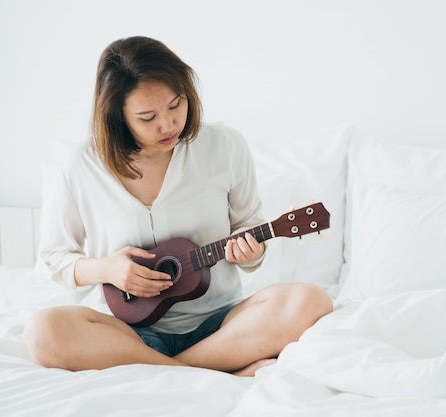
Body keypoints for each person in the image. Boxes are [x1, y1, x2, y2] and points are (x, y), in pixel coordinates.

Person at [24, 36, 333, 376]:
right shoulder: (81, 165)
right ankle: (216, 370)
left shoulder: (224, 146)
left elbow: (247, 223)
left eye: (175, 105)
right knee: (42, 332)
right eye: (147, 117)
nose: (168, 125)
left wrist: (251, 251)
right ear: (117, 116)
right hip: (124, 335)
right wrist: (108, 270)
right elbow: (54, 258)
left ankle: (175, 367)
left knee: (311, 301)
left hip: (220, 327)